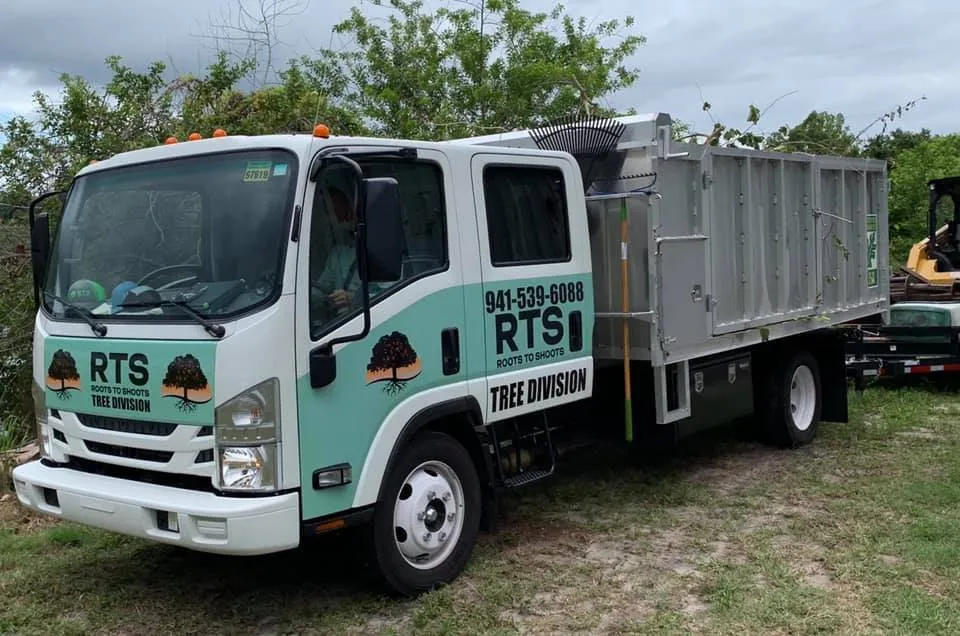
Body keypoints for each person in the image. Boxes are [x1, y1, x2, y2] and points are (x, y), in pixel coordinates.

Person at [310, 185, 390, 321]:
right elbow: (323, 287)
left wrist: (354, 299)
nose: (330, 220)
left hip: (369, 321)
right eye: (326, 214)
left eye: (335, 212)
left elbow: (391, 295)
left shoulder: (379, 249)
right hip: (337, 323)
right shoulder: (337, 253)